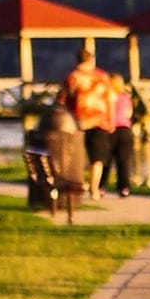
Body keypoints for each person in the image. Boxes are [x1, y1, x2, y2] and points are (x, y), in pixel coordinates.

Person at [62, 48, 113, 200]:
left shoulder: (72, 77)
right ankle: (94, 188)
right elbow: (110, 99)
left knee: (77, 155)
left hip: (78, 120)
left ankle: (80, 183)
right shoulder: (102, 76)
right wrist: (111, 119)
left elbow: (66, 99)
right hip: (100, 119)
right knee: (97, 157)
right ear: (92, 59)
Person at [103, 73, 135, 197]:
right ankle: (124, 187)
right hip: (125, 129)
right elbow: (129, 113)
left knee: (106, 160)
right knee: (124, 161)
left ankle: (101, 186)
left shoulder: (108, 97)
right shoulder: (126, 97)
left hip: (110, 129)